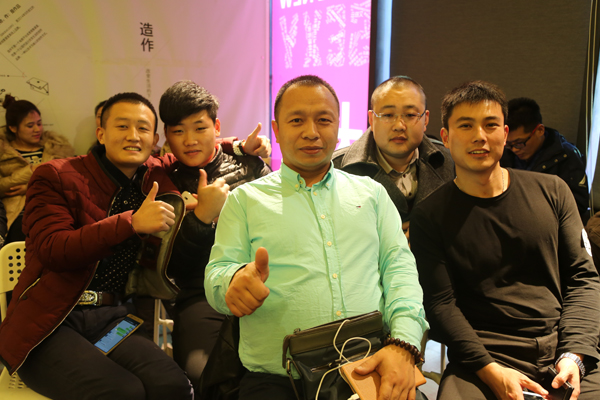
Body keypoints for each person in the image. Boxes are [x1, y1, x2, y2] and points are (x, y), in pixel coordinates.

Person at [205, 75, 428, 400]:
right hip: (280, 380)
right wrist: (232, 282)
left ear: (338, 126)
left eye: (324, 120)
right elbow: (216, 273)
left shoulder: (372, 195)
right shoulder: (245, 201)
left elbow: (400, 271)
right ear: (276, 129)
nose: (311, 132)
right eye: (296, 120)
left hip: (367, 365)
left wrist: (404, 344)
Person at [410, 81, 600, 400]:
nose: (480, 136)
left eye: (490, 125)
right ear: (446, 137)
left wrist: (575, 355)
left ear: (505, 132)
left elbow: (583, 279)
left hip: (562, 348)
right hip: (483, 357)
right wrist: (489, 369)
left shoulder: (553, 191)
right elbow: (440, 305)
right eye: (466, 125)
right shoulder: (429, 215)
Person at [0, 92, 194, 400]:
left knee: (172, 385)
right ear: (101, 133)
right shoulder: (55, 175)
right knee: (121, 391)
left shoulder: (150, 177)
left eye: (143, 128)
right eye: (122, 126)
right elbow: (53, 250)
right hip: (49, 323)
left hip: (112, 320)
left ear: (155, 139)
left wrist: (238, 147)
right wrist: (131, 223)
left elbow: (187, 153)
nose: (133, 136)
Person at [159, 80, 271, 388]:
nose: (190, 140)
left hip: (262, 282)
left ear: (217, 127)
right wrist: (201, 218)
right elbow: (171, 265)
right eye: (178, 131)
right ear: (166, 135)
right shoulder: (163, 182)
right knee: (202, 373)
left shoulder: (250, 166)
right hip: (199, 294)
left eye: (200, 128)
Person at [332, 76, 454, 240]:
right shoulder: (337, 168)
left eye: (410, 115)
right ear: (371, 119)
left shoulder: (449, 161)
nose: (399, 126)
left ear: (425, 119)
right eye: (388, 115)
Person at [500, 97, 589, 223]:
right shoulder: (505, 153)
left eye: (519, 143)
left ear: (540, 130)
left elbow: (578, 206)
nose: (514, 149)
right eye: (509, 144)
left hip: (546, 224)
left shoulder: (566, 156)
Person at [0, 94, 74, 241]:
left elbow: (70, 181)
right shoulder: (4, 153)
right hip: (18, 214)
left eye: (39, 124)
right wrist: (31, 170)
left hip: (55, 209)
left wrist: (29, 187)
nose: (37, 129)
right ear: (13, 128)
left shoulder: (57, 149)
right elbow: (2, 186)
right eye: (30, 126)